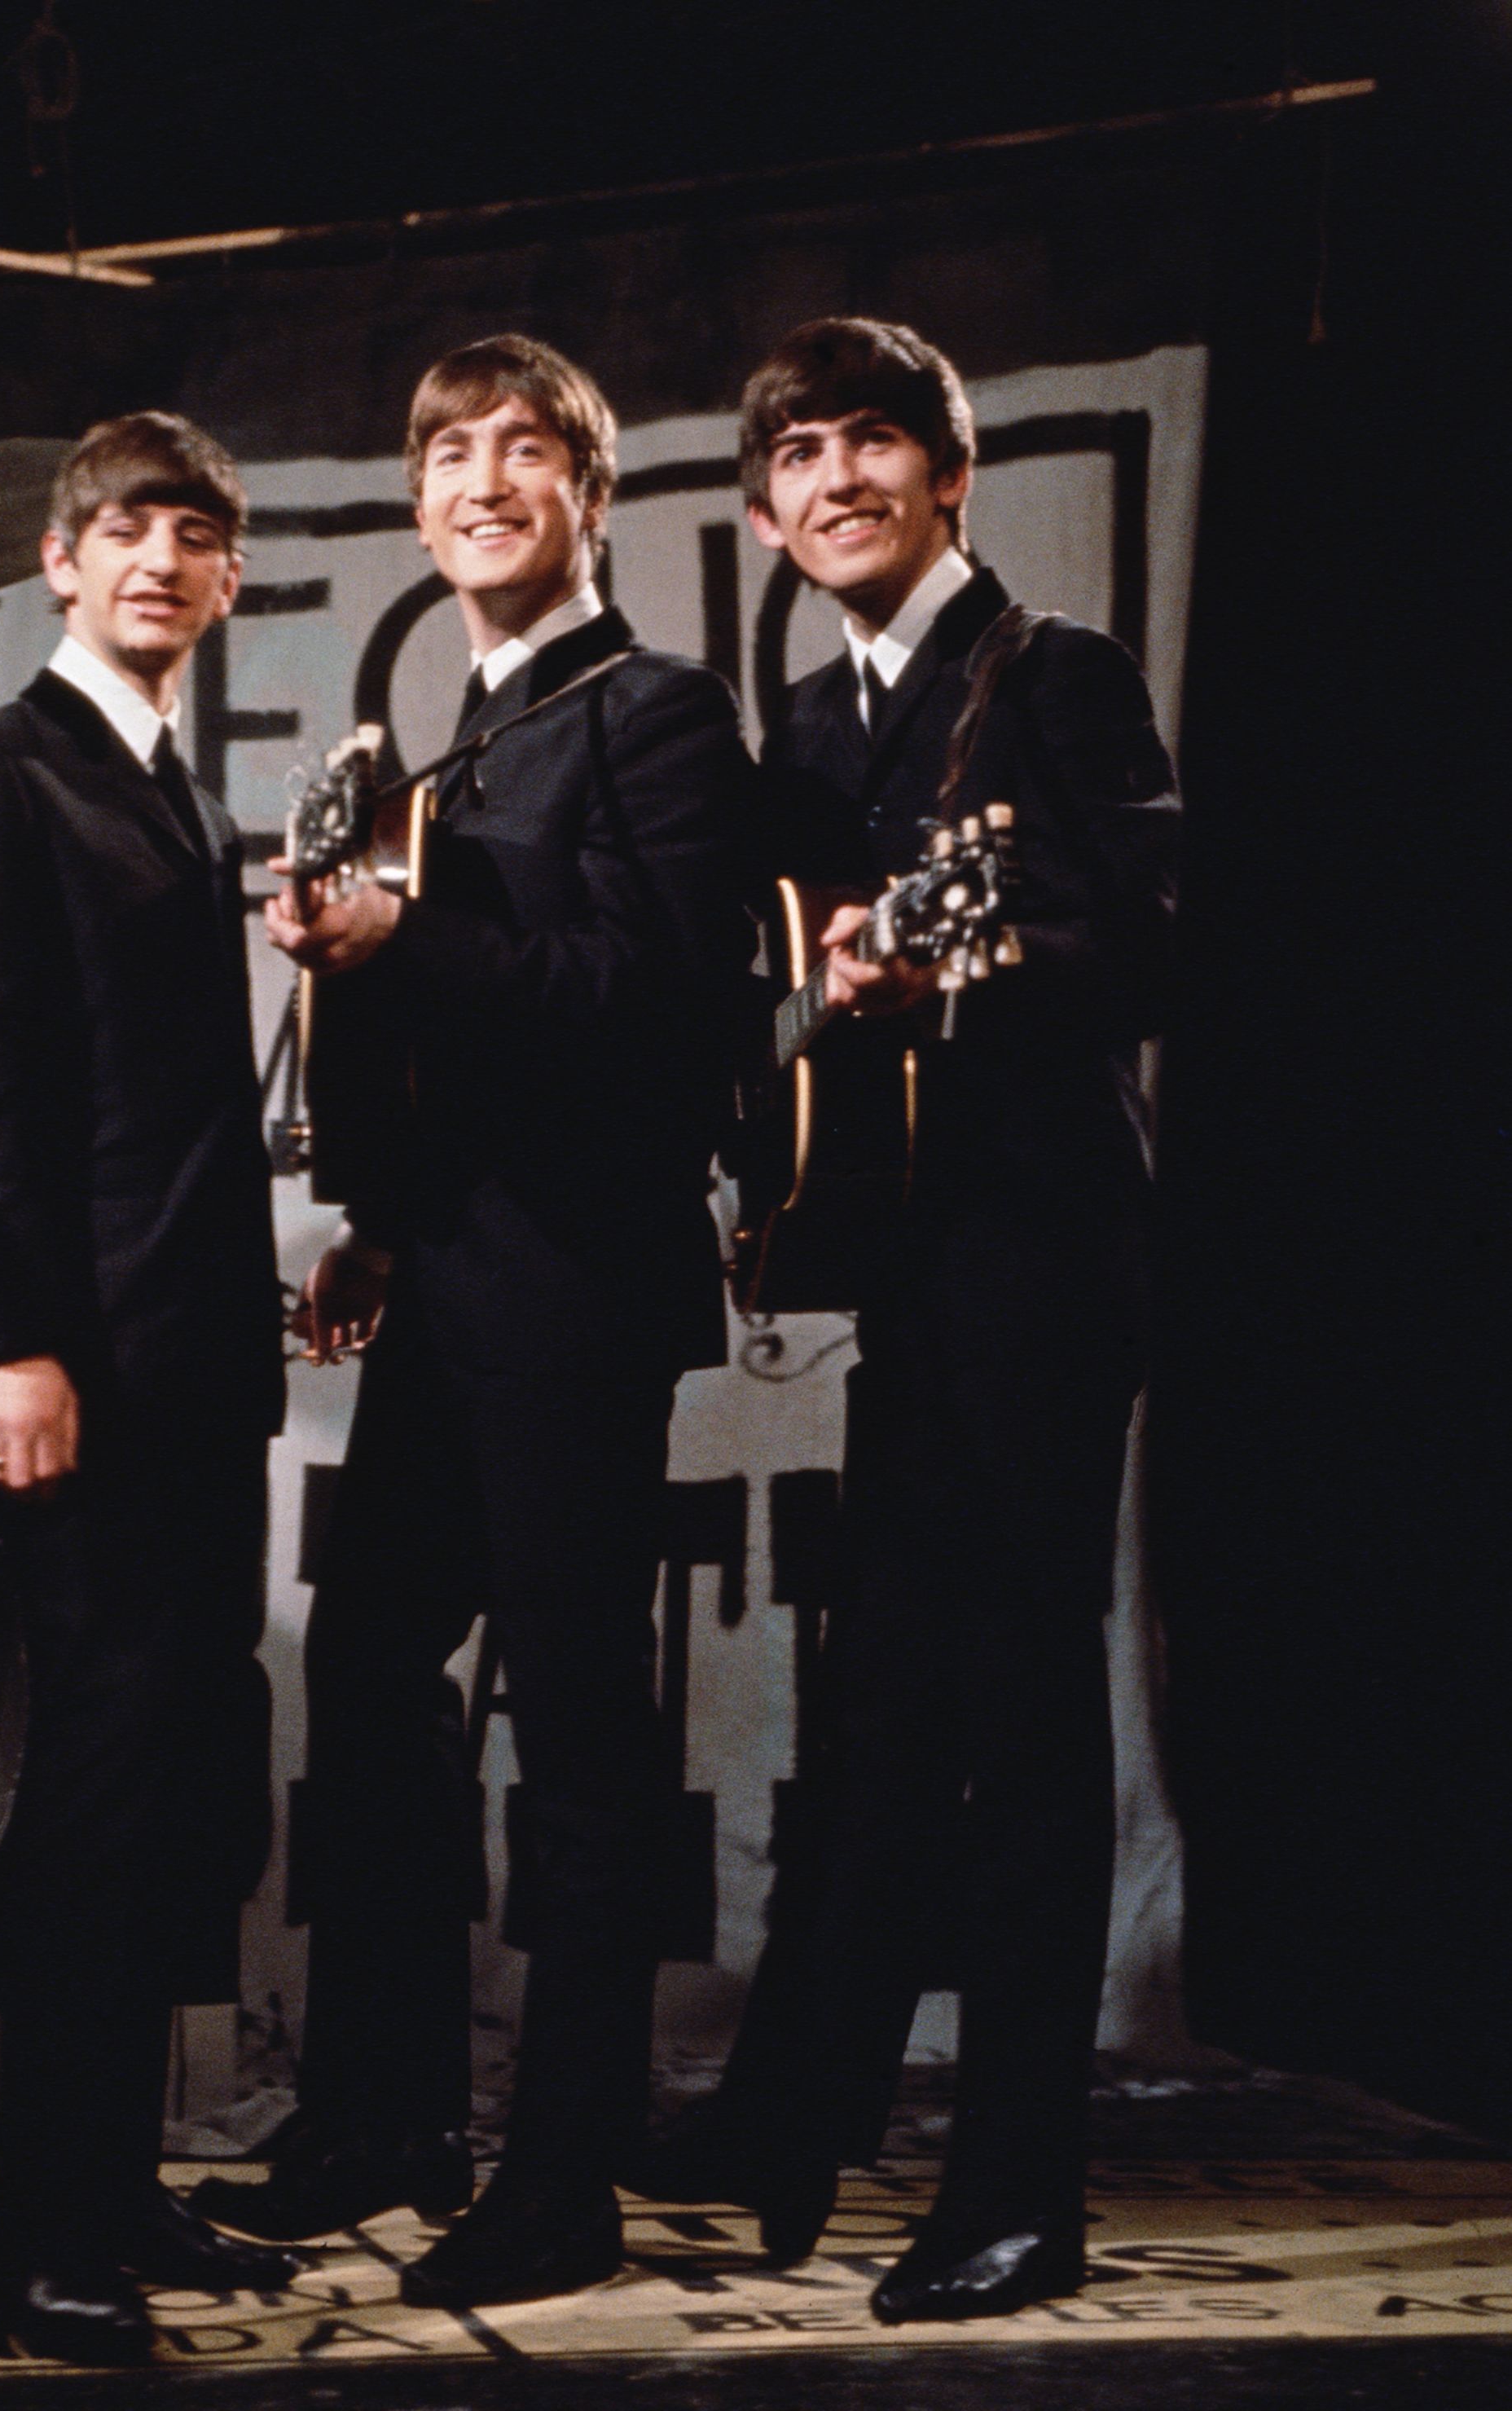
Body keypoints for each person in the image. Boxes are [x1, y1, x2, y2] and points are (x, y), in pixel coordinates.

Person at [627, 315, 1181, 2324]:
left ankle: (1022, 2188)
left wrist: (964, 969)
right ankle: (799, 2107)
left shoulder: (1053, 675)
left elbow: (1152, 933)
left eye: (877, 442)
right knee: (880, 1706)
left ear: (950, 476)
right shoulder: (817, 720)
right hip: (908, 1269)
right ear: (765, 511)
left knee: (1020, 1725)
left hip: (1040, 1257)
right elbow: (775, 1007)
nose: (838, 476)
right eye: (800, 454)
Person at [210, 335, 754, 2309]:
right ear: (420, 503)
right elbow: (437, 1033)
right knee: (362, 1685)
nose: (482, 479)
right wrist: (364, 1213)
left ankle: (566, 2173)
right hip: (444, 1282)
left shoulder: (661, 716)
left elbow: (672, 1003)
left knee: (580, 1744)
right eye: (449, 451)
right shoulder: (449, 753)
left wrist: (400, 932)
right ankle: (379, 2115)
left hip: (580, 1293)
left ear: (588, 499)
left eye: (528, 451)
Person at [0, 413, 301, 2366]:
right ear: (58, 562)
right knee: (94, 1803)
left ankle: (116, 2181)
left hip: (201, 1381)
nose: (157, 558)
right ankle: (45, 2238)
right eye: (123, 527)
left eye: (193, 535)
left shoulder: (184, 801)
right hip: (74, 1376)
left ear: (225, 582)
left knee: (182, 1794)